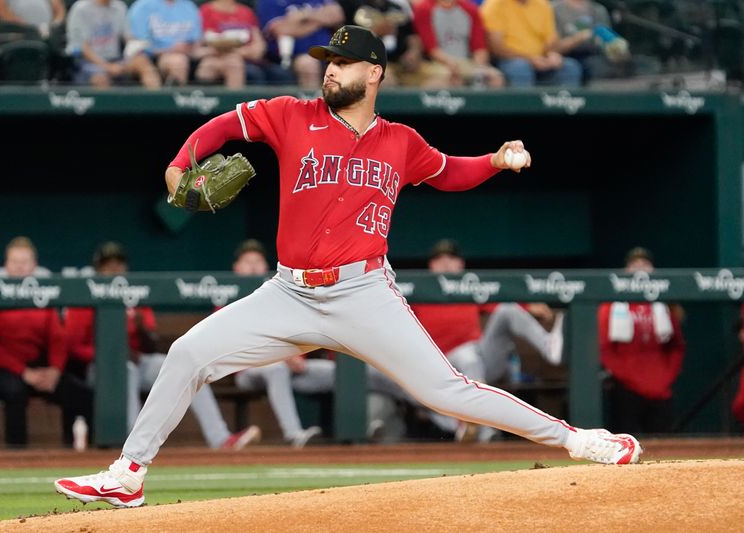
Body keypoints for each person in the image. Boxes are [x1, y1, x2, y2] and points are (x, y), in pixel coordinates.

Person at [54, 24, 643, 509]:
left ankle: (579, 439)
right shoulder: (290, 114)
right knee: (186, 353)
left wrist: (493, 159)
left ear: (375, 73)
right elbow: (222, 127)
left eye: (344, 62)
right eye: (327, 62)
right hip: (287, 294)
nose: (330, 70)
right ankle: (127, 474)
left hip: (363, 293)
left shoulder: (400, 141)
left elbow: (448, 172)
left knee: (447, 391)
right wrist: (180, 165)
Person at [63, 241, 261, 450]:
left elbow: (151, 343)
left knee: (190, 366)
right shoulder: (86, 296)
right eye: (107, 265)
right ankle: (134, 445)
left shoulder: (135, 294)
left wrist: (142, 329)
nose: (113, 270)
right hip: (101, 370)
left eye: (118, 264)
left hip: (140, 362)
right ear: (98, 269)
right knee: (126, 370)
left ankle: (220, 438)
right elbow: (74, 346)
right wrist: (107, 355)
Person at [401, 238, 564, 442]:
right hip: (441, 367)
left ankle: (549, 346)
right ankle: (483, 434)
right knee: (456, 361)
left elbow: (500, 299)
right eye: (439, 259)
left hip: (481, 364)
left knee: (504, 313)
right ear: (430, 265)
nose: (445, 263)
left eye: (451, 258)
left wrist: (528, 306)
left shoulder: (469, 287)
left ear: (461, 264)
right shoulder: (418, 291)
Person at [0, 236, 93, 448]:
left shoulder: (42, 297)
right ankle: (16, 454)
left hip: (38, 369)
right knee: (14, 390)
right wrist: (23, 372)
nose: (19, 267)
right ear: (6, 265)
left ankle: (84, 454)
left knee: (81, 394)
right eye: (14, 262)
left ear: (34, 266)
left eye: (24, 262)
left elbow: (58, 338)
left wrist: (54, 370)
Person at [225, 238, 325, 447]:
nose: (252, 266)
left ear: (266, 267)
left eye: (257, 261)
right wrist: (287, 356)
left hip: (291, 367)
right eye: (247, 261)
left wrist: (295, 355)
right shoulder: (228, 295)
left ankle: (368, 431)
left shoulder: (277, 293)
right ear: (236, 267)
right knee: (276, 369)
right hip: (249, 370)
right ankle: (294, 435)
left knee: (341, 371)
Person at [598, 246, 686, 435]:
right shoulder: (610, 306)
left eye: (645, 264)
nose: (640, 268)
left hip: (660, 388)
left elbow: (677, 346)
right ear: (625, 271)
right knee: (624, 442)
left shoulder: (666, 305)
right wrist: (628, 379)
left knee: (665, 447)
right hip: (625, 388)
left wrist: (665, 377)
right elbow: (604, 348)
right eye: (634, 264)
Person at [479, 0, 582, 88]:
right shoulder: (495, 4)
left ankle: (562, 109)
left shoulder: (542, 4)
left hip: (541, 59)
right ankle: (523, 110)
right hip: (508, 60)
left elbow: (550, 42)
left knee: (570, 66)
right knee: (520, 68)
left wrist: (552, 55)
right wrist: (530, 59)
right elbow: (496, 48)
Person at [65, 0, 162, 89]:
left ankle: (157, 104)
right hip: (87, 63)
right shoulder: (80, 9)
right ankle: (107, 107)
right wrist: (107, 66)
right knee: (100, 78)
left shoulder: (119, 6)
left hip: (115, 59)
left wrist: (135, 51)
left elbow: (128, 38)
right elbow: (84, 49)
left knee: (143, 63)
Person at [197, 0, 294, 87]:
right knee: (234, 64)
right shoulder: (206, 11)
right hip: (219, 57)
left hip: (247, 58)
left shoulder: (246, 12)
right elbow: (205, 41)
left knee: (279, 74)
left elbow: (258, 45)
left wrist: (245, 52)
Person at [411, 0, 504, 88]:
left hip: (465, 62)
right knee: (446, 80)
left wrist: (480, 67)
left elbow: (479, 47)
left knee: (495, 78)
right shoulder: (424, 9)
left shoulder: (470, 9)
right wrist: (450, 63)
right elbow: (431, 48)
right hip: (434, 64)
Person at [256, 0, 344, 89]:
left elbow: (337, 15)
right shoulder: (270, 2)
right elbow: (281, 30)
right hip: (289, 57)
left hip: (327, 52)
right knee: (307, 63)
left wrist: (304, 15)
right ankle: (312, 101)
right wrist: (320, 20)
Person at [550, 0, 632, 85]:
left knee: (601, 66)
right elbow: (552, 47)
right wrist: (577, 39)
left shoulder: (598, 10)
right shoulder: (554, 9)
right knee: (571, 67)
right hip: (564, 56)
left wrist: (617, 46)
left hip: (592, 55)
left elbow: (605, 39)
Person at [126, 0, 203, 86]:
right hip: (153, 57)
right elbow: (139, 46)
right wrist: (171, 49)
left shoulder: (188, 6)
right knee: (178, 62)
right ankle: (172, 96)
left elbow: (196, 41)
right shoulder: (142, 6)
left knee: (208, 64)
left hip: (187, 55)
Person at [0, 0, 66, 37]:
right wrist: (30, 30)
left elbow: (59, 10)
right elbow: (2, 11)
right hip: (17, 34)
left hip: (48, 33)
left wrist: (54, 25)